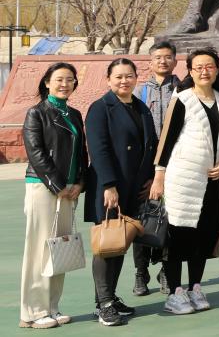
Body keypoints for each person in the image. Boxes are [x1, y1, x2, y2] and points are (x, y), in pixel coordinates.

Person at [150, 48, 219, 315]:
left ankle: (195, 286)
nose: (204, 71)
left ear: (217, 69)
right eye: (198, 67)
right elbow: (167, 139)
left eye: (209, 66)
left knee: (204, 234)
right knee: (178, 235)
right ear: (190, 71)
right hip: (182, 179)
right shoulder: (182, 98)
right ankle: (175, 292)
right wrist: (159, 176)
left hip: (211, 179)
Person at [85, 58, 157, 327]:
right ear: (108, 80)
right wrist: (109, 185)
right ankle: (103, 304)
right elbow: (99, 149)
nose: (124, 81)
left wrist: (151, 178)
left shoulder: (140, 107)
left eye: (129, 76)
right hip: (110, 188)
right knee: (106, 244)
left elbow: (150, 145)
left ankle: (109, 297)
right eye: (118, 76)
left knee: (119, 243)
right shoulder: (100, 108)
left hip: (134, 188)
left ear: (136, 78)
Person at [19, 62, 85, 329]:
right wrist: (58, 186)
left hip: (68, 190)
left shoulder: (74, 114)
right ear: (47, 82)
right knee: (40, 249)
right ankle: (33, 312)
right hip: (43, 187)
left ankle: (52, 307)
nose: (64, 84)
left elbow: (81, 154)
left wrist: (79, 183)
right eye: (59, 79)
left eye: (69, 80)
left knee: (59, 248)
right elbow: (36, 153)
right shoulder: (37, 113)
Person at [132, 40, 179, 296]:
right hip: (144, 166)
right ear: (150, 62)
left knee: (170, 220)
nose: (163, 61)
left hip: (175, 164)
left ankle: (165, 270)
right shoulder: (140, 92)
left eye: (168, 57)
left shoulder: (183, 89)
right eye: (158, 57)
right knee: (142, 219)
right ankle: (141, 271)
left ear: (175, 61)